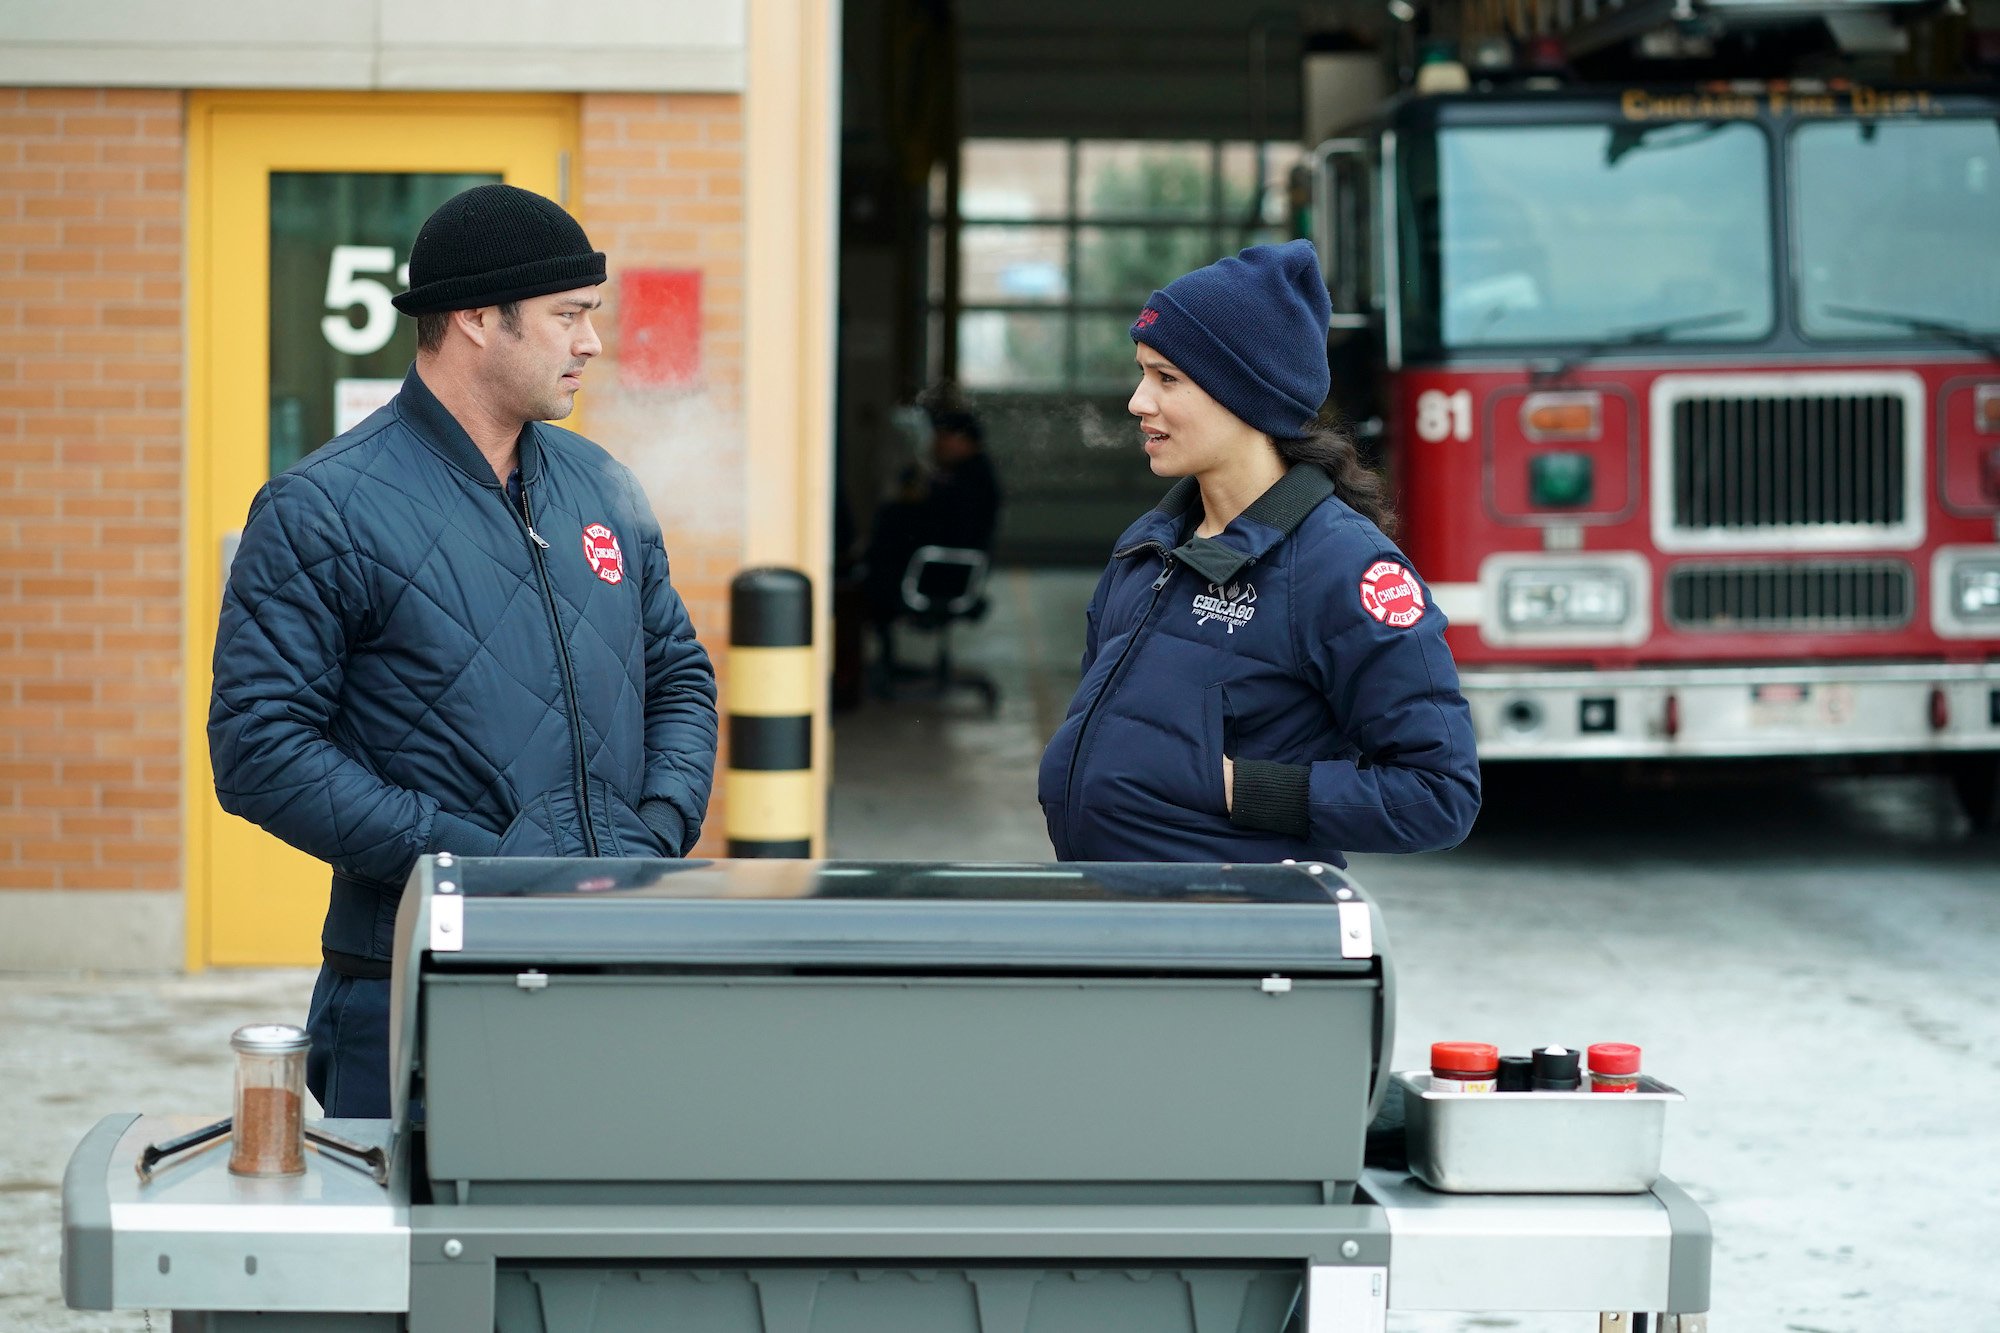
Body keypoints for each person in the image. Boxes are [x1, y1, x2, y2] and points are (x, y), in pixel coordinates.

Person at [209, 184, 719, 1117]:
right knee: (424, 1263)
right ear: (479, 319)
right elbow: (259, 751)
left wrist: (658, 825)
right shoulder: (322, 508)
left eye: (592, 316)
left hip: (607, 966)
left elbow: (678, 672)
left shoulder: (601, 485)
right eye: (568, 316)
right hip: (416, 983)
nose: (590, 343)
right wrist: (471, 864)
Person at [1037, 239, 1479, 865]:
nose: (1139, 402)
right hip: (1126, 924)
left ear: (1243, 397)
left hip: (1238, 937)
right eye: (1142, 373)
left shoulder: (1345, 568)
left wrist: (1233, 787)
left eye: (1167, 378)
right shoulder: (1148, 547)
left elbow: (1438, 794)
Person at [859, 409, 1003, 673]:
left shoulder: (970, 480)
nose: (936, 444)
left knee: (863, 584)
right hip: (942, 570)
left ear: (964, 440)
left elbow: (945, 527)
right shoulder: (962, 474)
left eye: (943, 437)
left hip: (941, 574)